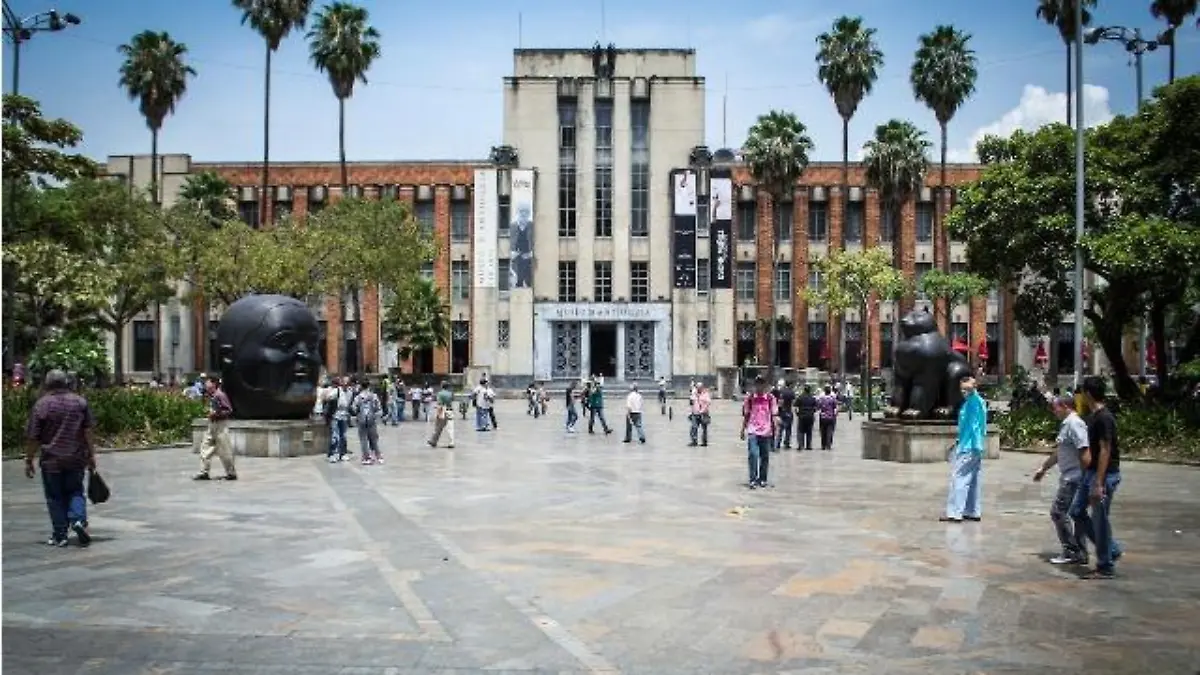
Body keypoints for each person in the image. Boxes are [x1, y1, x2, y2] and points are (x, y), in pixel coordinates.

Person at [24, 369, 98, 547]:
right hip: (75, 458)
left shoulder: (42, 405)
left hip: (51, 461)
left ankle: (60, 534)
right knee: (76, 491)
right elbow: (87, 431)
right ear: (66, 383)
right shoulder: (79, 402)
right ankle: (78, 520)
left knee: (55, 497)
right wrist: (92, 454)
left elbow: (34, 436)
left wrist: (29, 459)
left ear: (47, 384)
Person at [1073, 376, 1124, 579]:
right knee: (1077, 511)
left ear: (1088, 393)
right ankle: (1111, 548)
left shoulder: (1104, 418)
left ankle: (1105, 565)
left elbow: (1105, 450)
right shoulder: (1093, 416)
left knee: (1099, 519)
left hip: (1104, 474)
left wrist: (1099, 482)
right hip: (1091, 473)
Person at [1033, 395, 1089, 565]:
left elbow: (1084, 449)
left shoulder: (1074, 423)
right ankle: (1079, 551)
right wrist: (1044, 468)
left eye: (1055, 407)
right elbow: (1060, 452)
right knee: (1075, 514)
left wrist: (1087, 478)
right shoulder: (1067, 425)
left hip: (1074, 477)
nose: (1053, 411)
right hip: (1069, 475)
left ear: (1065, 406)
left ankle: (1072, 550)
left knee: (1058, 512)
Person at [941, 376, 987, 523]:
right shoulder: (977, 402)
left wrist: (970, 444)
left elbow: (974, 426)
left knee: (959, 477)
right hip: (973, 445)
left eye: (966, 389)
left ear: (973, 387)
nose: (963, 392)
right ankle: (972, 510)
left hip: (969, 446)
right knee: (973, 479)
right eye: (962, 389)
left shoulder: (973, 403)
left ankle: (955, 512)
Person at [195, 375, 237, 480]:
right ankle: (204, 472)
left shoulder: (220, 395)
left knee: (224, 450)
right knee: (205, 447)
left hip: (220, 425)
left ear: (213, 384)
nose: (205, 384)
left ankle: (231, 473)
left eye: (207, 382)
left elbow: (229, 410)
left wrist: (216, 415)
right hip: (212, 425)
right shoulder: (211, 396)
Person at [740, 376, 778, 489]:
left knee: (764, 456)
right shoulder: (750, 398)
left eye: (762, 384)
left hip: (766, 431)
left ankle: (762, 479)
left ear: (765, 385)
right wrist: (742, 430)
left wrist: (776, 430)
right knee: (753, 454)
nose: (759, 386)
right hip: (752, 430)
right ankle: (752, 479)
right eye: (757, 384)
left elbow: (774, 415)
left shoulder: (771, 398)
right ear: (755, 385)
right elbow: (746, 415)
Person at [351, 380, 383, 464]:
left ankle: (366, 457)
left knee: (363, 439)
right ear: (369, 386)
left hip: (361, 420)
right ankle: (378, 456)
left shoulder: (358, 397)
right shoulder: (374, 396)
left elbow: (354, 408)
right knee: (374, 439)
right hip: (371, 419)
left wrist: (357, 414)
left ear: (361, 386)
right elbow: (379, 408)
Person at [327, 377, 353, 464]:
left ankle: (343, 453)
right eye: (344, 383)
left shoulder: (350, 392)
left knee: (344, 436)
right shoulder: (336, 391)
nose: (345, 385)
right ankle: (332, 454)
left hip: (344, 416)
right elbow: (328, 397)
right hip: (335, 416)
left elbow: (349, 404)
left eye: (347, 383)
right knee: (335, 436)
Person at [428, 381, 456, 449]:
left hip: (442, 410)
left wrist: (438, 411)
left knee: (438, 427)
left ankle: (434, 441)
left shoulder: (440, 394)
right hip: (450, 410)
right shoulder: (451, 393)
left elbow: (440, 403)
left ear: (442, 386)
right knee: (450, 427)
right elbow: (452, 400)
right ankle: (451, 442)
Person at [816, 385, 839, 451]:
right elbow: (835, 407)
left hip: (823, 417)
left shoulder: (822, 399)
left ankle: (823, 445)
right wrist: (835, 414)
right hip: (830, 417)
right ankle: (828, 444)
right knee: (830, 431)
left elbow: (818, 407)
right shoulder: (832, 398)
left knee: (823, 431)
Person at [688, 381, 711, 447]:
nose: (698, 388)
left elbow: (708, 403)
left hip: (703, 414)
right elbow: (691, 403)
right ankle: (694, 441)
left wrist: (702, 410)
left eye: (700, 387)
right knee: (694, 427)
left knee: (704, 429)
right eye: (697, 387)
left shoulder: (705, 394)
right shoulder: (694, 393)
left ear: (702, 387)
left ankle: (704, 442)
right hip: (695, 413)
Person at [795, 385, 817, 451]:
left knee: (800, 431)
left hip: (802, 416)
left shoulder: (800, 397)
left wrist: (797, 414)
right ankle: (808, 446)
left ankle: (800, 445)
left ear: (804, 390)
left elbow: (796, 407)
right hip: (810, 416)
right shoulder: (812, 398)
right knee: (809, 431)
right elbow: (815, 408)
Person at [775, 380, 795, 450]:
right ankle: (786, 443)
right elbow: (793, 403)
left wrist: (779, 412)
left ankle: (777, 443)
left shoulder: (781, 391)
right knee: (788, 429)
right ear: (790, 385)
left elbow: (780, 402)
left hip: (782, 412)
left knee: (780, 429)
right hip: (789, 412)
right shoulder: (792, 392)